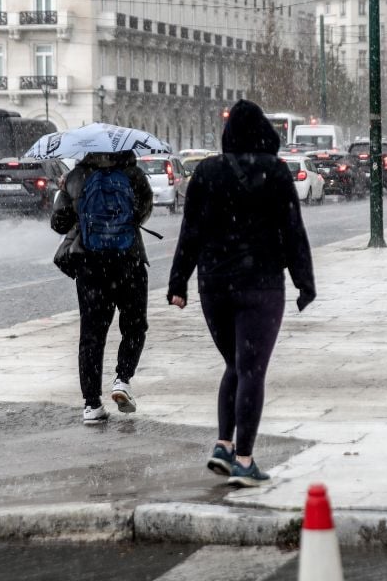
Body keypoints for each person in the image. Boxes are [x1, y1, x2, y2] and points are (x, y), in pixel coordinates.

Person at [167, 100, 315, 487]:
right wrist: (304, 281)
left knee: (234, 364)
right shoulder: (275, 172)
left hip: (214, 285)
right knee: (251, 369)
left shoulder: (206, 172)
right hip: (261, 284)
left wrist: (178, 282)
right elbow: (292, 230)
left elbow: (190, 231)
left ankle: (223, 445)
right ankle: (244, 460)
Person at [51, 151, 153, 425]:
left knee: (92, 335)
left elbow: (58, 223)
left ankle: (92, 405)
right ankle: (122, 379)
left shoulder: (77, 176)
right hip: (129, 261)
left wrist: (71, 197)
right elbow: (141, 214)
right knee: (134, 326)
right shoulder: (133, 174)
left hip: (91, 266)